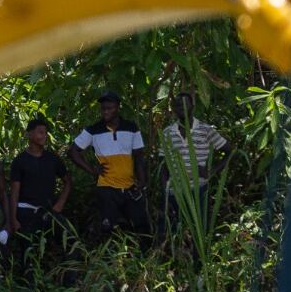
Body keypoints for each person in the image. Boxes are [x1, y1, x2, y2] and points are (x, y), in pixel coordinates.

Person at [69, 91, 150, 243]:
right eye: (103, 109)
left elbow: (139, 156)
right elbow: (73, 151)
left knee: (140, 225)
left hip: (130, 186)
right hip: (107, 188)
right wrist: (92, 170)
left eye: (110, 108)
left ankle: (140, 260)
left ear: (118, 108)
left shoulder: (131, 128)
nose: (106, 111)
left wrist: (142, 180)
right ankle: (109, 261)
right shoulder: (93, 130)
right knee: (108, 227)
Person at [159, 91, 233, 232]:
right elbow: (163, 166)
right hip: (175, 191)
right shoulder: (168, 132)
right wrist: (165, 193)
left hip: (198, 189)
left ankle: (197, 254)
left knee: (199, 230)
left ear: (192, 107)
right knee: (175, 231)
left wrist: (212, 172)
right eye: (178, 106)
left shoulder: (205, 130)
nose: (182, 109)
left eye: (185, 105)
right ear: (174, 109)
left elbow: (230, 151)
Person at [8, 118, 72, 267]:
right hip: (26, 212)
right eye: (40, 132)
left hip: (49, 212)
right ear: (29, 134)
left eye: (45, 133)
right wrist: (13, 219)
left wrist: (60, 204)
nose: (44, 136)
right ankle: (29, 284)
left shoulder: (52, 159)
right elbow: (14, 192)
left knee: (69, 240)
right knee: (28, 252)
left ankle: (69, 278)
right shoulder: (20, 161)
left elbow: (68, 182)